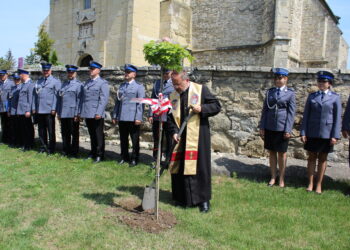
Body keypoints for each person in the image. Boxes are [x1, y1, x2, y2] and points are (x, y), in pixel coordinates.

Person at [166, 70, 221, 213]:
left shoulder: (200, 90)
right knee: (179, 168)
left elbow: (216, 106)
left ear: (186, 80)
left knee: (200, 168)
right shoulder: (173, 96)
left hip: (198, 137)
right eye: (173, 84)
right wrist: (173, 132)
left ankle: (203, 201)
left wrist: (202, 108)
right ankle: (182, 199)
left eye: (177, 84)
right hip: (180, 138)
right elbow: (170, 118)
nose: (176, 87)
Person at [300, 71, 341, 194]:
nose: (321, 83)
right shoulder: (312, 96)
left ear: (329, 83)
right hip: (312, 132)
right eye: (319, 81)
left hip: (326, 133)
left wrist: (335, 135)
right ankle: (310, 183)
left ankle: (319, 184)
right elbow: (306, 115)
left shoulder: (335, 97)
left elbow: (337, 118)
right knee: (311, 157)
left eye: (324, 81)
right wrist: (303, 132)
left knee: (323, 158)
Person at [259, 68, 296, 188]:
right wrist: (262, 126)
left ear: (285, 79)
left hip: (282, 127)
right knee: (272, 152)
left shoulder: (290, 93)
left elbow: (291, 113)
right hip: (270, 126)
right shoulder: (270, 92)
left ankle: (281, 178)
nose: (278, 80)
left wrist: (288, 129)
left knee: (282, 154)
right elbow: (265, 110)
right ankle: (273, 177)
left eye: (281, 78)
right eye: (276, 78)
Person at [112, 64, 145, 166]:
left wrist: (138, 117)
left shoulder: (139, 87)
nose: (126, 74)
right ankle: (124, 156)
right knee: (123, 138)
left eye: (128, 72)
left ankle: (134, 158)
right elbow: (118, 102)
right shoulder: (122, 86)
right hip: (122, 116)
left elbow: (140, 104)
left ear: (134, 74)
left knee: (134, 140)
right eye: (125, 72)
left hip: (133, 117)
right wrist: (115, 115)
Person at [79, 61, 109, 163]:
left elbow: (103, 99)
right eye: (90, 69)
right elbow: (84, 99)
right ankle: (92, 152)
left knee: (98, 134)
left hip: (96, 113)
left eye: (92, 69)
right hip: (88, 112)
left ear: (98, 70)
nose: (90, 71)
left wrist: (99, 112)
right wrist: (82, 112)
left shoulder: (102, 83)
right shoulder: (87, 83)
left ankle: (100, 154)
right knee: (91, 134)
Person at [32, 63, 61, 154]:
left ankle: (51, 149)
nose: (46, 72)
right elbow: (34, 96)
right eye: (44, 70)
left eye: (47, 70)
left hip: (49, 110)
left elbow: (57, 97)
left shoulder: (55, 81)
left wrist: (54, 108)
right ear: (42, 71)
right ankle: (43, 147)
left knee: (51, 130)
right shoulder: (38, 81)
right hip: (40, 109)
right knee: (41, 130)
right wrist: (34, 108)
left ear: (50, 71)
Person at [148, 69, 174, 167]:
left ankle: (168, 160)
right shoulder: (157, 83)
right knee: (157, 138)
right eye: (163, 73)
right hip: (157, 115)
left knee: (169, 138)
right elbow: (152, 99)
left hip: (168, 115)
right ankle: (156, 159)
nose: (165, 75)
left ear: (171, 73)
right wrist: (150, 114)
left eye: (167, 73)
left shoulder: (174, 83)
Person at [57, 65, 83, 157]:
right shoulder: (63, 84)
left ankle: (74, 152)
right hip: (64, 112)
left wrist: (77, 114)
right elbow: (59, 100)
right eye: (69, 72)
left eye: (72, 72)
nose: (70, 74)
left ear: (75, 73)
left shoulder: (79, 85)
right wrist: (59, 112)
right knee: (65, 133)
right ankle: (65, 151)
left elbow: (79, 100)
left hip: (73, 113)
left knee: (74, 134)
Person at [16, 69, 35, 151]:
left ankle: (28, 145)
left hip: (25, 111)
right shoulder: (23, 84)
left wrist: (28, 110)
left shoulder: (30, 84)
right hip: (21, 110)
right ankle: (24, 143)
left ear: (23, 75)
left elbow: (30, 99)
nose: (19, 76)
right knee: (23, 128)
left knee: (27, 129)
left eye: (20, 75)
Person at [7, 73, 22, 147]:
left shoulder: (21, 88)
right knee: (13, 128)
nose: (16, 80)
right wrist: (8, 110)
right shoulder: (12, 88)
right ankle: (13, 142)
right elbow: (9, 100)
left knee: (19, 128)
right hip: (12, 111)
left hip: (19, 111)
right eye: (15, 79)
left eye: (18, 79)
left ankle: (19, 142)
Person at [0, 70, 15, 144]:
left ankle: (11, 139)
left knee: (10, 124)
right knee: (3, 123)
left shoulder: (11, 83)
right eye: (0, 75)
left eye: (3, 75)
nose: (2, 77)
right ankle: (4, 139)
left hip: (8, 106)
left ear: (6, 75)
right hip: (1, 107)